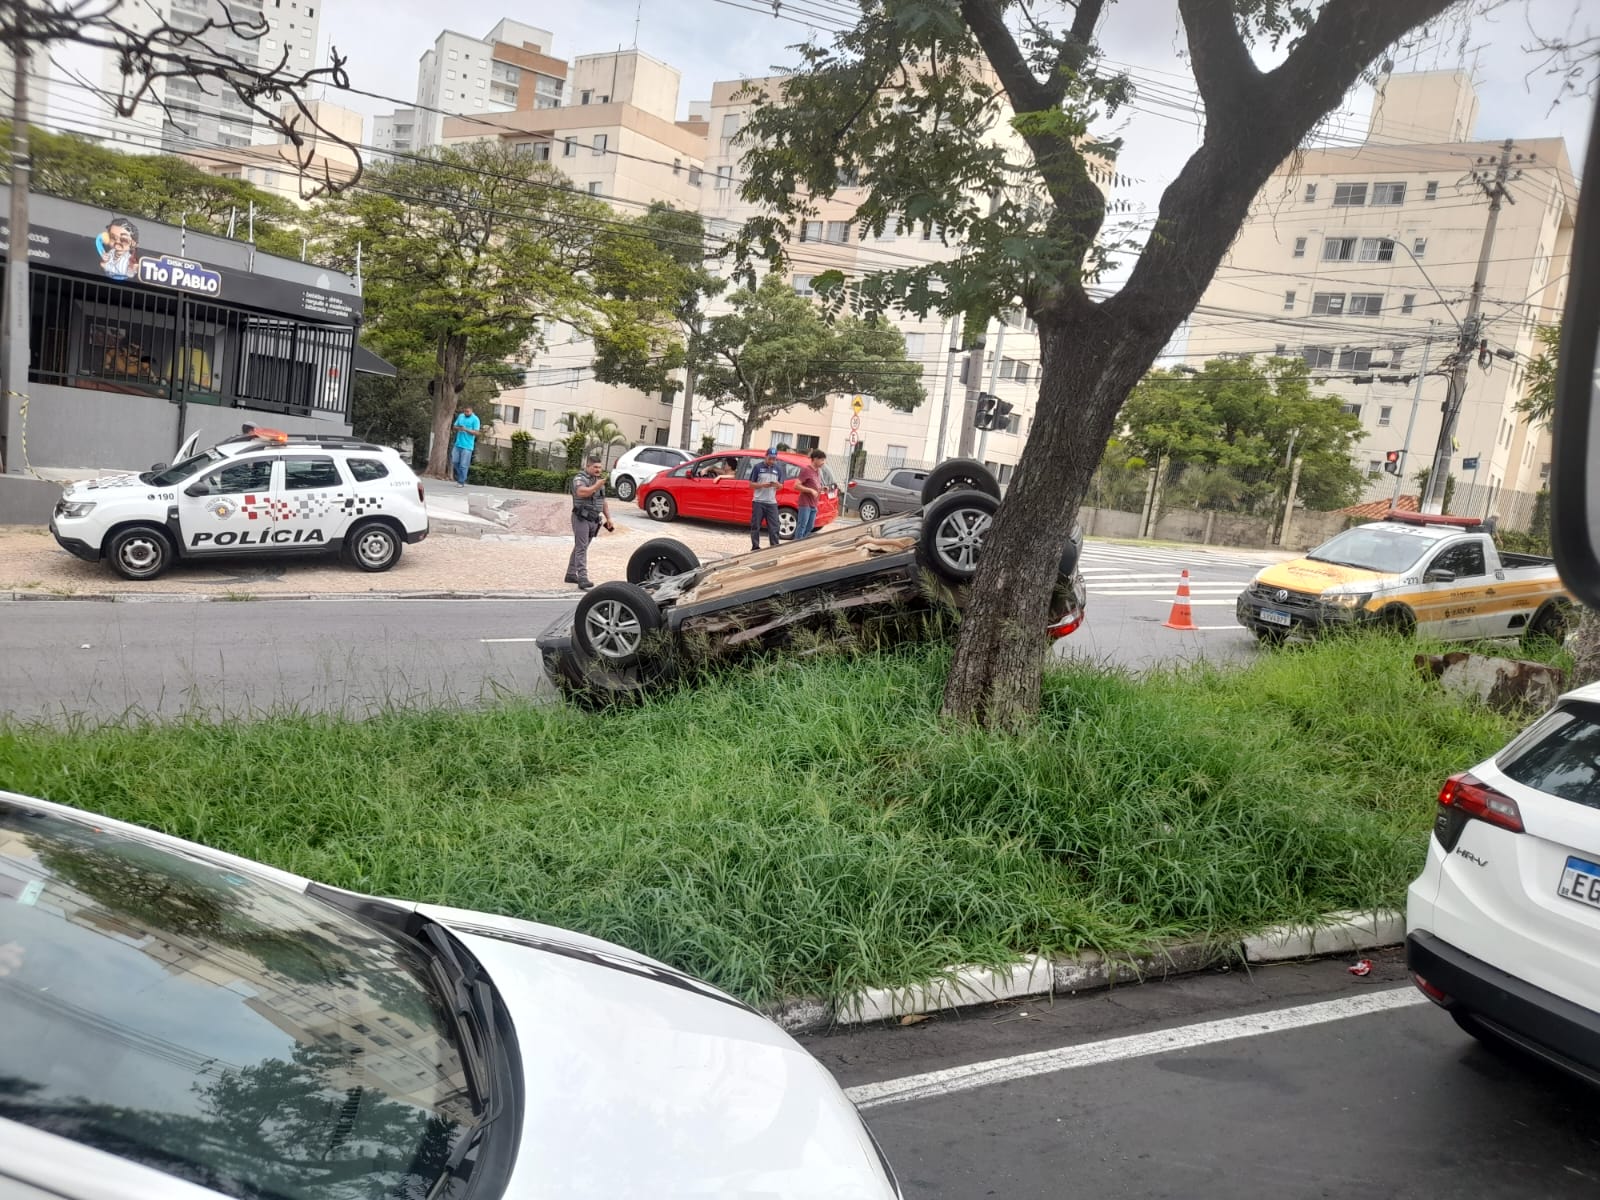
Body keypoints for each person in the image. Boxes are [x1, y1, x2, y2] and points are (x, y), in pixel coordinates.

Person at [567, 454, 614, 590]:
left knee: (581, 547)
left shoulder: (599, 481)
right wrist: (596, 486)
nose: (598, 470)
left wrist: (609, 518)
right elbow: (581, 492)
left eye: (600, 467)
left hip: (594, 518)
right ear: (587, 466)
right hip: (581, 517)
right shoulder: (580, 478)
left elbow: (603, 500)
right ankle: (582, 577)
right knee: (581, 547)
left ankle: (570, 574)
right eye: (595, 467)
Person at [748, 449, 784, 551]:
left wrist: (777, 485)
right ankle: (755, 547)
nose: (772, 461)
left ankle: (774, 547)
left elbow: (781, 486)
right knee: (756, 525)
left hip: (771, 502)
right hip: (758, 501)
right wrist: (762, 485)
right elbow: (751, 484)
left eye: (774, 459)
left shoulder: (778, 469)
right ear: (766, 456)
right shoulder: (758, 467)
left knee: (774, 526)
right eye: (770, 458)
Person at [794, 448, 826, 540]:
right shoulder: (806, 470)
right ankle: (796, 544)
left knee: (810, 526)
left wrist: (822, 489)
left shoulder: (818, 472)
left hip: (813, 504)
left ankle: (802, 541)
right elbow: (796, 486)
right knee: (802, 525)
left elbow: (815, 486)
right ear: (815, 459)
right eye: (822, 460)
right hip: (805, 503)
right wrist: (810, 491)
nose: (823, 462)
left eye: (824, 460)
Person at [450, 406, 480, 487]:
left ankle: (461, 481)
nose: (466, 413)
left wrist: (466, 429)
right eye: (465, 411)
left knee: (463, 465)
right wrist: (459, 428)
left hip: (467, 446)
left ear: (471, 411)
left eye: (468, 412)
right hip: (458, 444)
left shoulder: (475, 419)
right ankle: (462, 477)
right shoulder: (461, 416)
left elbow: (477, 433)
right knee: (455, 461)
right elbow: (454, 426)